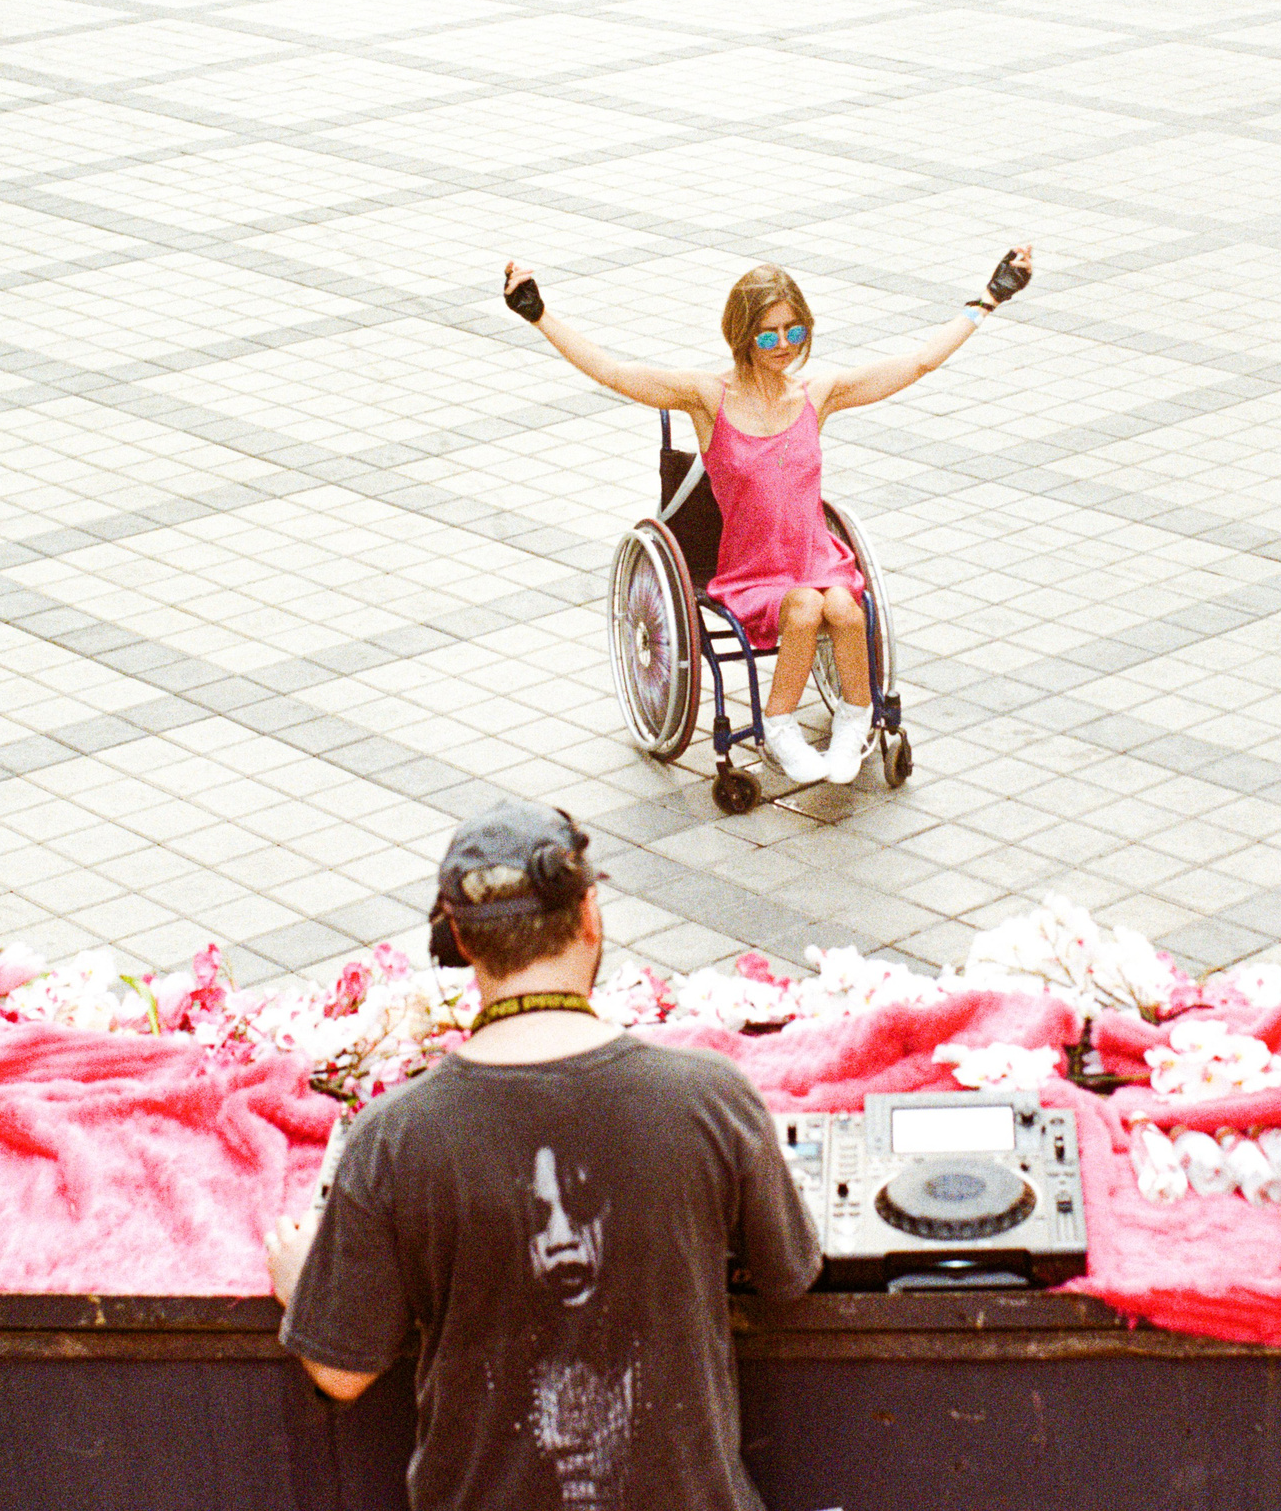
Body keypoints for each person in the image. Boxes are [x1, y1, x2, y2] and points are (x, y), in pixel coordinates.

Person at [264, 800, 820, 1511]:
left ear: (462, 942)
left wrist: (299, 1276)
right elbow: (788, 1273)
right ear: (590, 915)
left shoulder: (394, 1137)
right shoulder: (710, 1099)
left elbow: (340, 1372)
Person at [503, 247, 1034, 784]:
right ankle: (777, 727)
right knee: (804, 609)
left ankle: (855, 720)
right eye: (767, 334)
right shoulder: (708, 397)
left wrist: (989, 299)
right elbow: (614, 373)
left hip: (815, 557)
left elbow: (916, 364)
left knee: (848, 612)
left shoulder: (816, 395)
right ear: (741, 336)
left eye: (794, 331)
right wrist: (538, 314)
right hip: (754, 570)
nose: (783, 346)